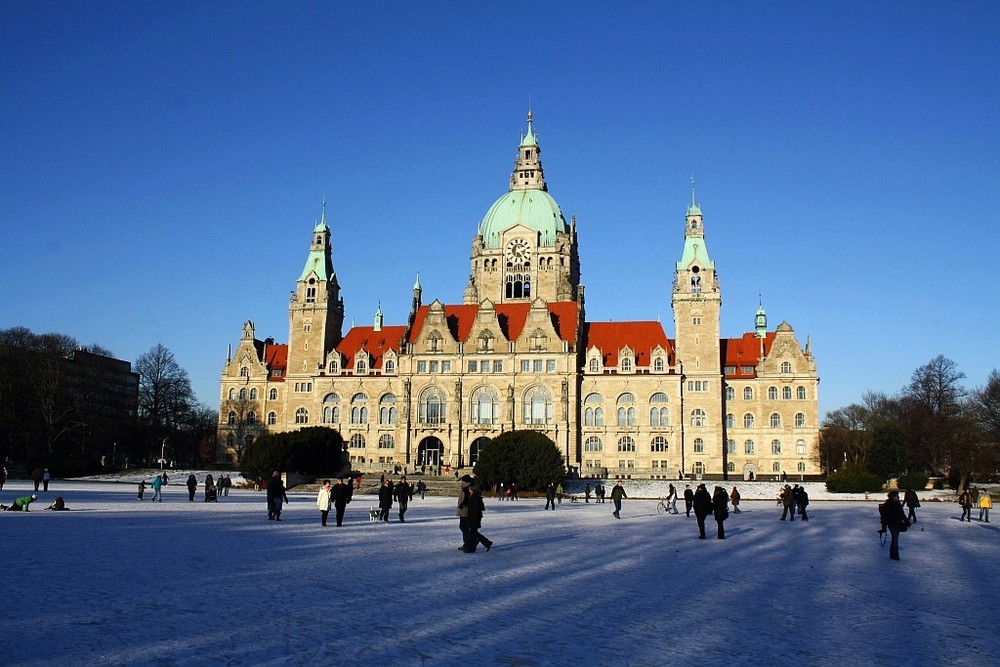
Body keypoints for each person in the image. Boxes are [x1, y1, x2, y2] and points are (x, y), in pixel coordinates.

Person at [464, 479, 493, 553]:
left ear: (471, 488)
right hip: (473, 516)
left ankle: (472, 548)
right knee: (474, 533)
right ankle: (487, 543)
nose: (468, 489)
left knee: (473, 533)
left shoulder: (475, 497)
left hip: (475, 517)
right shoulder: (473, 495)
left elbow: (476, 509)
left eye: (469, 488)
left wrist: (473, 519)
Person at [879, 489, 908, 560]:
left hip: (898, 523)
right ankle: (895, 555)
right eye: (896, 496)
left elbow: (902, 514)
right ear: (892, 497)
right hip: (891, 523)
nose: (898, 497)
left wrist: (907, 522)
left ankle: (893, 554)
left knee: (895, 539)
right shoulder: (887, 505)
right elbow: (884, 517)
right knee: (895, 538)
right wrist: (884, 527)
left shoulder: (898, 504)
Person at [457, 475, 473, 550]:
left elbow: (467, 500)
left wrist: (462, 506)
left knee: (464, 527)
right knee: (464, 527)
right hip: (464, 511)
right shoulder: (465, 489)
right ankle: (469, 542)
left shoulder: (467, 489)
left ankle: (468, 542)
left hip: (466, 512)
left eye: (462, 481)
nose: (461, 482)